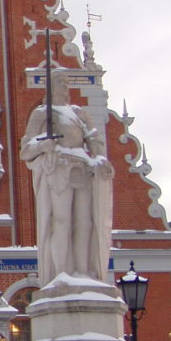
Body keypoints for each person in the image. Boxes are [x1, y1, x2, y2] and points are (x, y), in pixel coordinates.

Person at [20, 69, 113, 286]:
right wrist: (43, 145)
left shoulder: (79, 114)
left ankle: (83, 272)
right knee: (61, 221)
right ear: (51, 87)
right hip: (59, 169)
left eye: (66, 82)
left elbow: (94, 140)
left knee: (84, 223)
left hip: (82, 169)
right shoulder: (43, 114)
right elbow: (26, 150)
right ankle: (61, 273)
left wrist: (99, 156)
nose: (65, 86)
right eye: (60, 82)